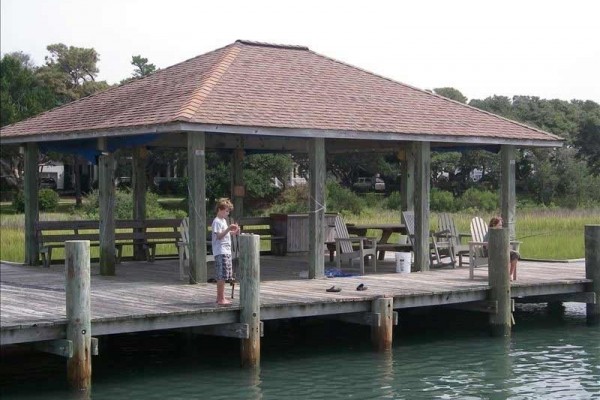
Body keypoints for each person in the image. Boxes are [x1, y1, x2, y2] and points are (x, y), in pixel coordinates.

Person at [211, 198, 240, 305]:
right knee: (221, 275)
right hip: (220, 251)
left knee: (226, 275)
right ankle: (220, 298)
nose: (227, 213)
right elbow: (218, 236)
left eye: (228, 211)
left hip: (227, 251)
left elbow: (226, 234)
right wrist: (228, 229)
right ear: (220, 209)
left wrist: (234, 232)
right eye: (226, 211)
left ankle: (222, 297)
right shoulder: (217, 221)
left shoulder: (223, 221)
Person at [484, 216, 519, 281]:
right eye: (499, 225)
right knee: (505, 254)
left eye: (501, 225)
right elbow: (486, 246)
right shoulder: (489, 233)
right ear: (494, 225)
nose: (501, 227)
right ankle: (505, 275)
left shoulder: (501, 233)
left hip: (501, 251)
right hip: (491, 252)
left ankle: (510, 274)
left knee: (515, 254)